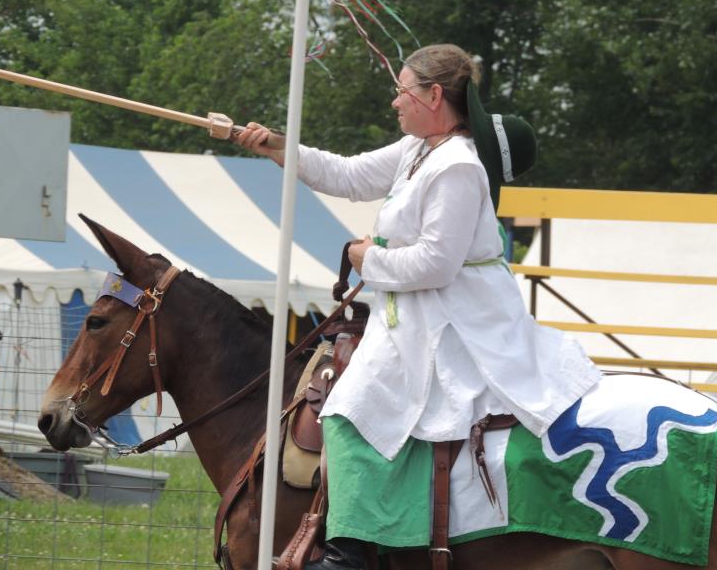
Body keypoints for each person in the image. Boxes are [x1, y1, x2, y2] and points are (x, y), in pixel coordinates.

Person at [235, 43, 600, 570]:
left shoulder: (458, 166)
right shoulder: (418, 148)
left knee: (347, 411)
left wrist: (367, 259)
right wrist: (276, 146)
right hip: (418, 310)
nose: (394, 102)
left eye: (401, 91)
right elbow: (349, 175)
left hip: (454, 320)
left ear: (433, 96)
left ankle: (349, 554)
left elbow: (435, 264)